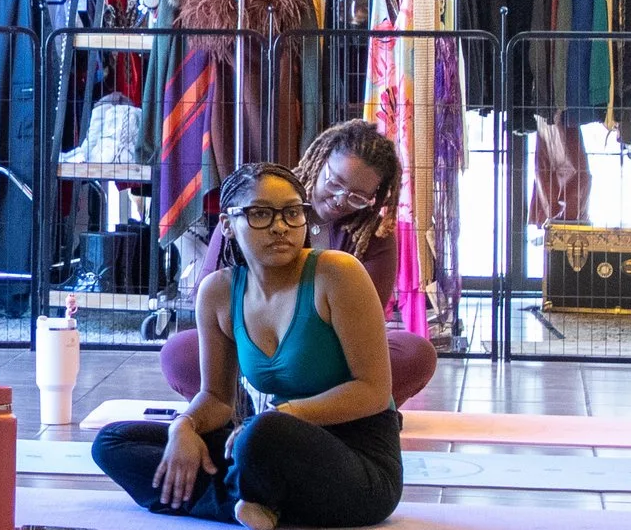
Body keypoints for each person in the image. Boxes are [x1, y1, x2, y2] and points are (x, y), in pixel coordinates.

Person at [94, 159, 403, 530]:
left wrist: (283, 416)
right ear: (227, 224)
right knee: (113, 442)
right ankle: (254, 500)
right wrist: (185, 428)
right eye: (260, 214)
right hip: (270, 448)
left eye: (292, 213)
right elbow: (217, 400)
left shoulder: (337, 273)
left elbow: (373, 392)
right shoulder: (219, 292)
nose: (280, 226)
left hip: (360, 462)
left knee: (261, 435)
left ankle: (241, 496)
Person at [157, 120, 437, 405]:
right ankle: (237, 409)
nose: (341, 199)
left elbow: (367, 320)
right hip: (253, 343)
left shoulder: (373, 236)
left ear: (373, 198)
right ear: (320, 160)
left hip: (329, 351)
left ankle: (340, 408)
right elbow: (216, 293)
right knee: (180, 352)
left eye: (357, 197)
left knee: (415, 352)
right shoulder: (252, 208)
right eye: (335, 182)